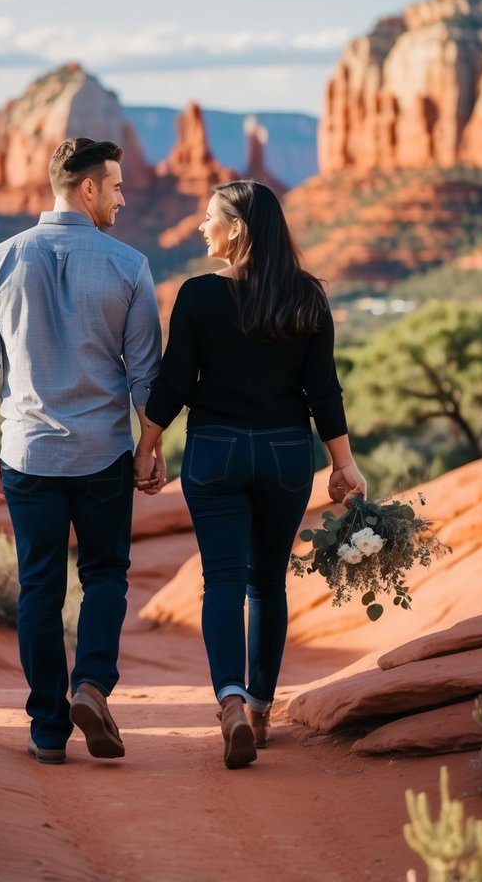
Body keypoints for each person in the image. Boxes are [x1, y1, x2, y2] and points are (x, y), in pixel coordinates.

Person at [134, 180, 366, 769]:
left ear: (237, 229)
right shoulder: (308, 297)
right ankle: (261, 711)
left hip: (215, 453)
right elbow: (324, 392)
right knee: (268, 584)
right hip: (288, 455)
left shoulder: (198, 295)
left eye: (210, 217)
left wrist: (148, 446)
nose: (200, 226)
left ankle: (230, 701)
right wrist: (343, 463)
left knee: (223, 582)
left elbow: (175, 384)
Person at [0, 137, 165, 766]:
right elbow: (147, 376)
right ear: (88, 189)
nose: (124, 198)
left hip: (27, 455)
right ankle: (92, 686)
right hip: (103, 455)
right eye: (118, 187)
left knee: (40, 589)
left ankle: (48, 728)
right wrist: (148, 448)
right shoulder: (130, 266)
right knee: (105, 576)